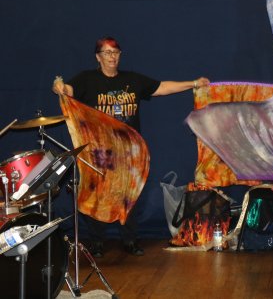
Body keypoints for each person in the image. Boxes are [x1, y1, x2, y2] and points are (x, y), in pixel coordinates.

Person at [52, 36, 209, 257]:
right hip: (100, 152)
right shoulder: (87, 79)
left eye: (115, 52)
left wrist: (193, 83)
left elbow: (161, 87)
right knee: (97, 195)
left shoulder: (132, 79)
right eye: (107, 52)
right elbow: (67, 89)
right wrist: (58, 85)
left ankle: (130, 240)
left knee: (130, 195)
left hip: (129, 151)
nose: (112, 57)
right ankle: (97, 242)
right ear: (98, 57)